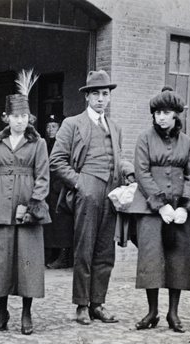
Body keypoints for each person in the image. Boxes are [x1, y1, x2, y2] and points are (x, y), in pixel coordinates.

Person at [49, 70, 135, 325]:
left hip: (111, 195)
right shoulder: (73, 124)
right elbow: (57, 161)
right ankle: (81, 305)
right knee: (84, 250)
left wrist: (128, 172)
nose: (100, 99)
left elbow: (117, 159)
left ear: (109, 97)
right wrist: (79, 183)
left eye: (105, 94)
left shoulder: (115, 127)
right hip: (87, 194)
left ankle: (98, 303)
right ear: (87, 96)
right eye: (95, 94)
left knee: (105, 251)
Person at [0, 70, 51, 335]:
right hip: (0, 204)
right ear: (6, 118)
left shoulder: (38, 143)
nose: (20, 121)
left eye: (24, 116)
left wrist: (34, 203)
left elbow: (43, 176)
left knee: (28, 262)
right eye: (15, 117)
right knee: (1, 260)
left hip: (27, 205)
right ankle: (2, 311)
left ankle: (26, 313)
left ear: (29, 118)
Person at [132, 86, 190, 333]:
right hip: (152, 209)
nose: (161, 116)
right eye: (157, 112)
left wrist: (184, 206)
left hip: (179, 209)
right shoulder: (144, 138)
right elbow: (142, 173)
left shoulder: (187, 143)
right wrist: (160, 205)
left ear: (175, 115)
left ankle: (173, 313)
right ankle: (152, 311)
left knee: (177, 260)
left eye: (166, 112)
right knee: (151, 258)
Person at [43, 113, 74, 269]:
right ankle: (53, 255)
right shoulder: (47, 145)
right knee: (51, 225)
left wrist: (59, 185)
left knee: (63, 225)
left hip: (61, 189)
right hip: (49, 190)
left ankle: (64, 257)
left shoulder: (65, 144)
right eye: (48, 126)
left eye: (54, 126)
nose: (50, 129)